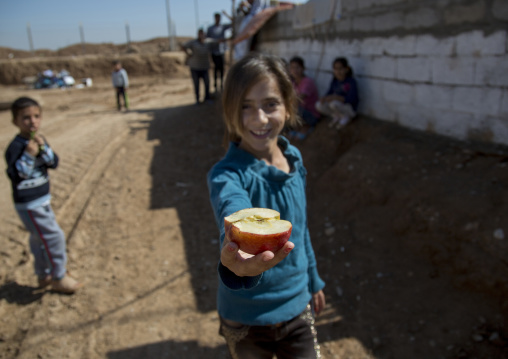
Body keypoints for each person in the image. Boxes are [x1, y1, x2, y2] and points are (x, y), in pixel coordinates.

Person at [207, 53, 326, 359]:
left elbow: (300, 226)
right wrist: (237, 264)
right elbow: (233, 210)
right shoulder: (227, 174)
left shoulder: (294, 159)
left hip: (298, 308)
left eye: (270, 104)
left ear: (288, 106)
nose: (259, 119)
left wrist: (313, 280)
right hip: (245, 320)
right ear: (230, 111)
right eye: (245, 106)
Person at [4, 97, 83, 294]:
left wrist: (43, 148)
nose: (32, 122)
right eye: (26, 118)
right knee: (54, 236)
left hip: (42, 199)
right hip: (30, 204)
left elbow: (53, 163)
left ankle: (43, 274)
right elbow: (16, 175)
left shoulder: (38, 141)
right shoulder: (15, 147)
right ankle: (59, 276)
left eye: (36, 116)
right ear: (15, 121)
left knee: (38, 238)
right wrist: (29, 155)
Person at [315, 57, 359, 130]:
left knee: (334, 103)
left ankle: (346, 117)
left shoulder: (351, 82)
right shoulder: (335, 81)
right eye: (335, 69)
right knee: (319, 105)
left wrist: (336, 98)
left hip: (349, 108)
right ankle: (337, 116)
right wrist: (324, 98)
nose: (338, 71)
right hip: (337, 107)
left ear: (346, 69)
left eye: (340, 69)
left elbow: (352, 99)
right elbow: (329, 93)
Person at [181, 29, 218, 104]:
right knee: (196, 84)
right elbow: (183, 46)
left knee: (207, 83)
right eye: (200, 34)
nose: (202, 35)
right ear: (198, 34)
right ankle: (197, 100)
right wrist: (188, 54)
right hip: (195, 67)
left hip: (205, 67)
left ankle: (207, 98)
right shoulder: (193, 42)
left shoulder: (208, 42)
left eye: (203, 34)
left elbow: (218, 41)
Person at [288, 56, 320, 140]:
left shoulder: (307, 81)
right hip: (301, 112)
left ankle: (307, 127)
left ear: (303, 69)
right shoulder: (293, 82)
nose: (295, 70)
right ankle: (297, 127)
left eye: (297, 67)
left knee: (292, 106)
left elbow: (300, 98)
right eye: (292, 68)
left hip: (311, 115)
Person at [207, 12, 232, 92]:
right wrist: (216, 41)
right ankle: (215, 85)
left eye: (219, 18)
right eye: (216, 18)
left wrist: (227, 15)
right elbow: (208, 40)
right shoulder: (210, 29)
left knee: (221, 68)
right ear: (214, 18)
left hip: (221, 52)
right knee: (215, 68)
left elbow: (233, 23)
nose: (218, 19)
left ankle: (221, 84)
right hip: (214, 52)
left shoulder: (223, 27)